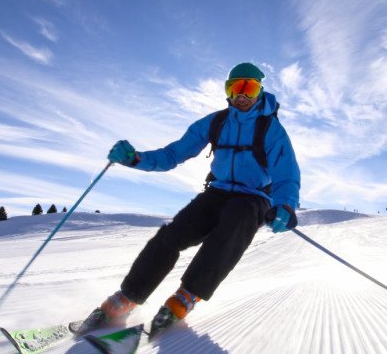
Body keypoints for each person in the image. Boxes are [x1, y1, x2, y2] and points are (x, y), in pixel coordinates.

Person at [78, 62, 301, 337]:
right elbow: (173, 154)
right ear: (227, 91)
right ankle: (128, 296)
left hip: (253, 198)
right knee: (172, 235)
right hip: (218, 192)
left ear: (260, 91)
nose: (242, 95)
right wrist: (135, 159)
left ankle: (185, 297)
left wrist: (286, 205)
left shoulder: (272, 130)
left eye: (249, 87)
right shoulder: (216, 122)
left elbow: (286, 174)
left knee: (231, 229)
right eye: (235, 88)